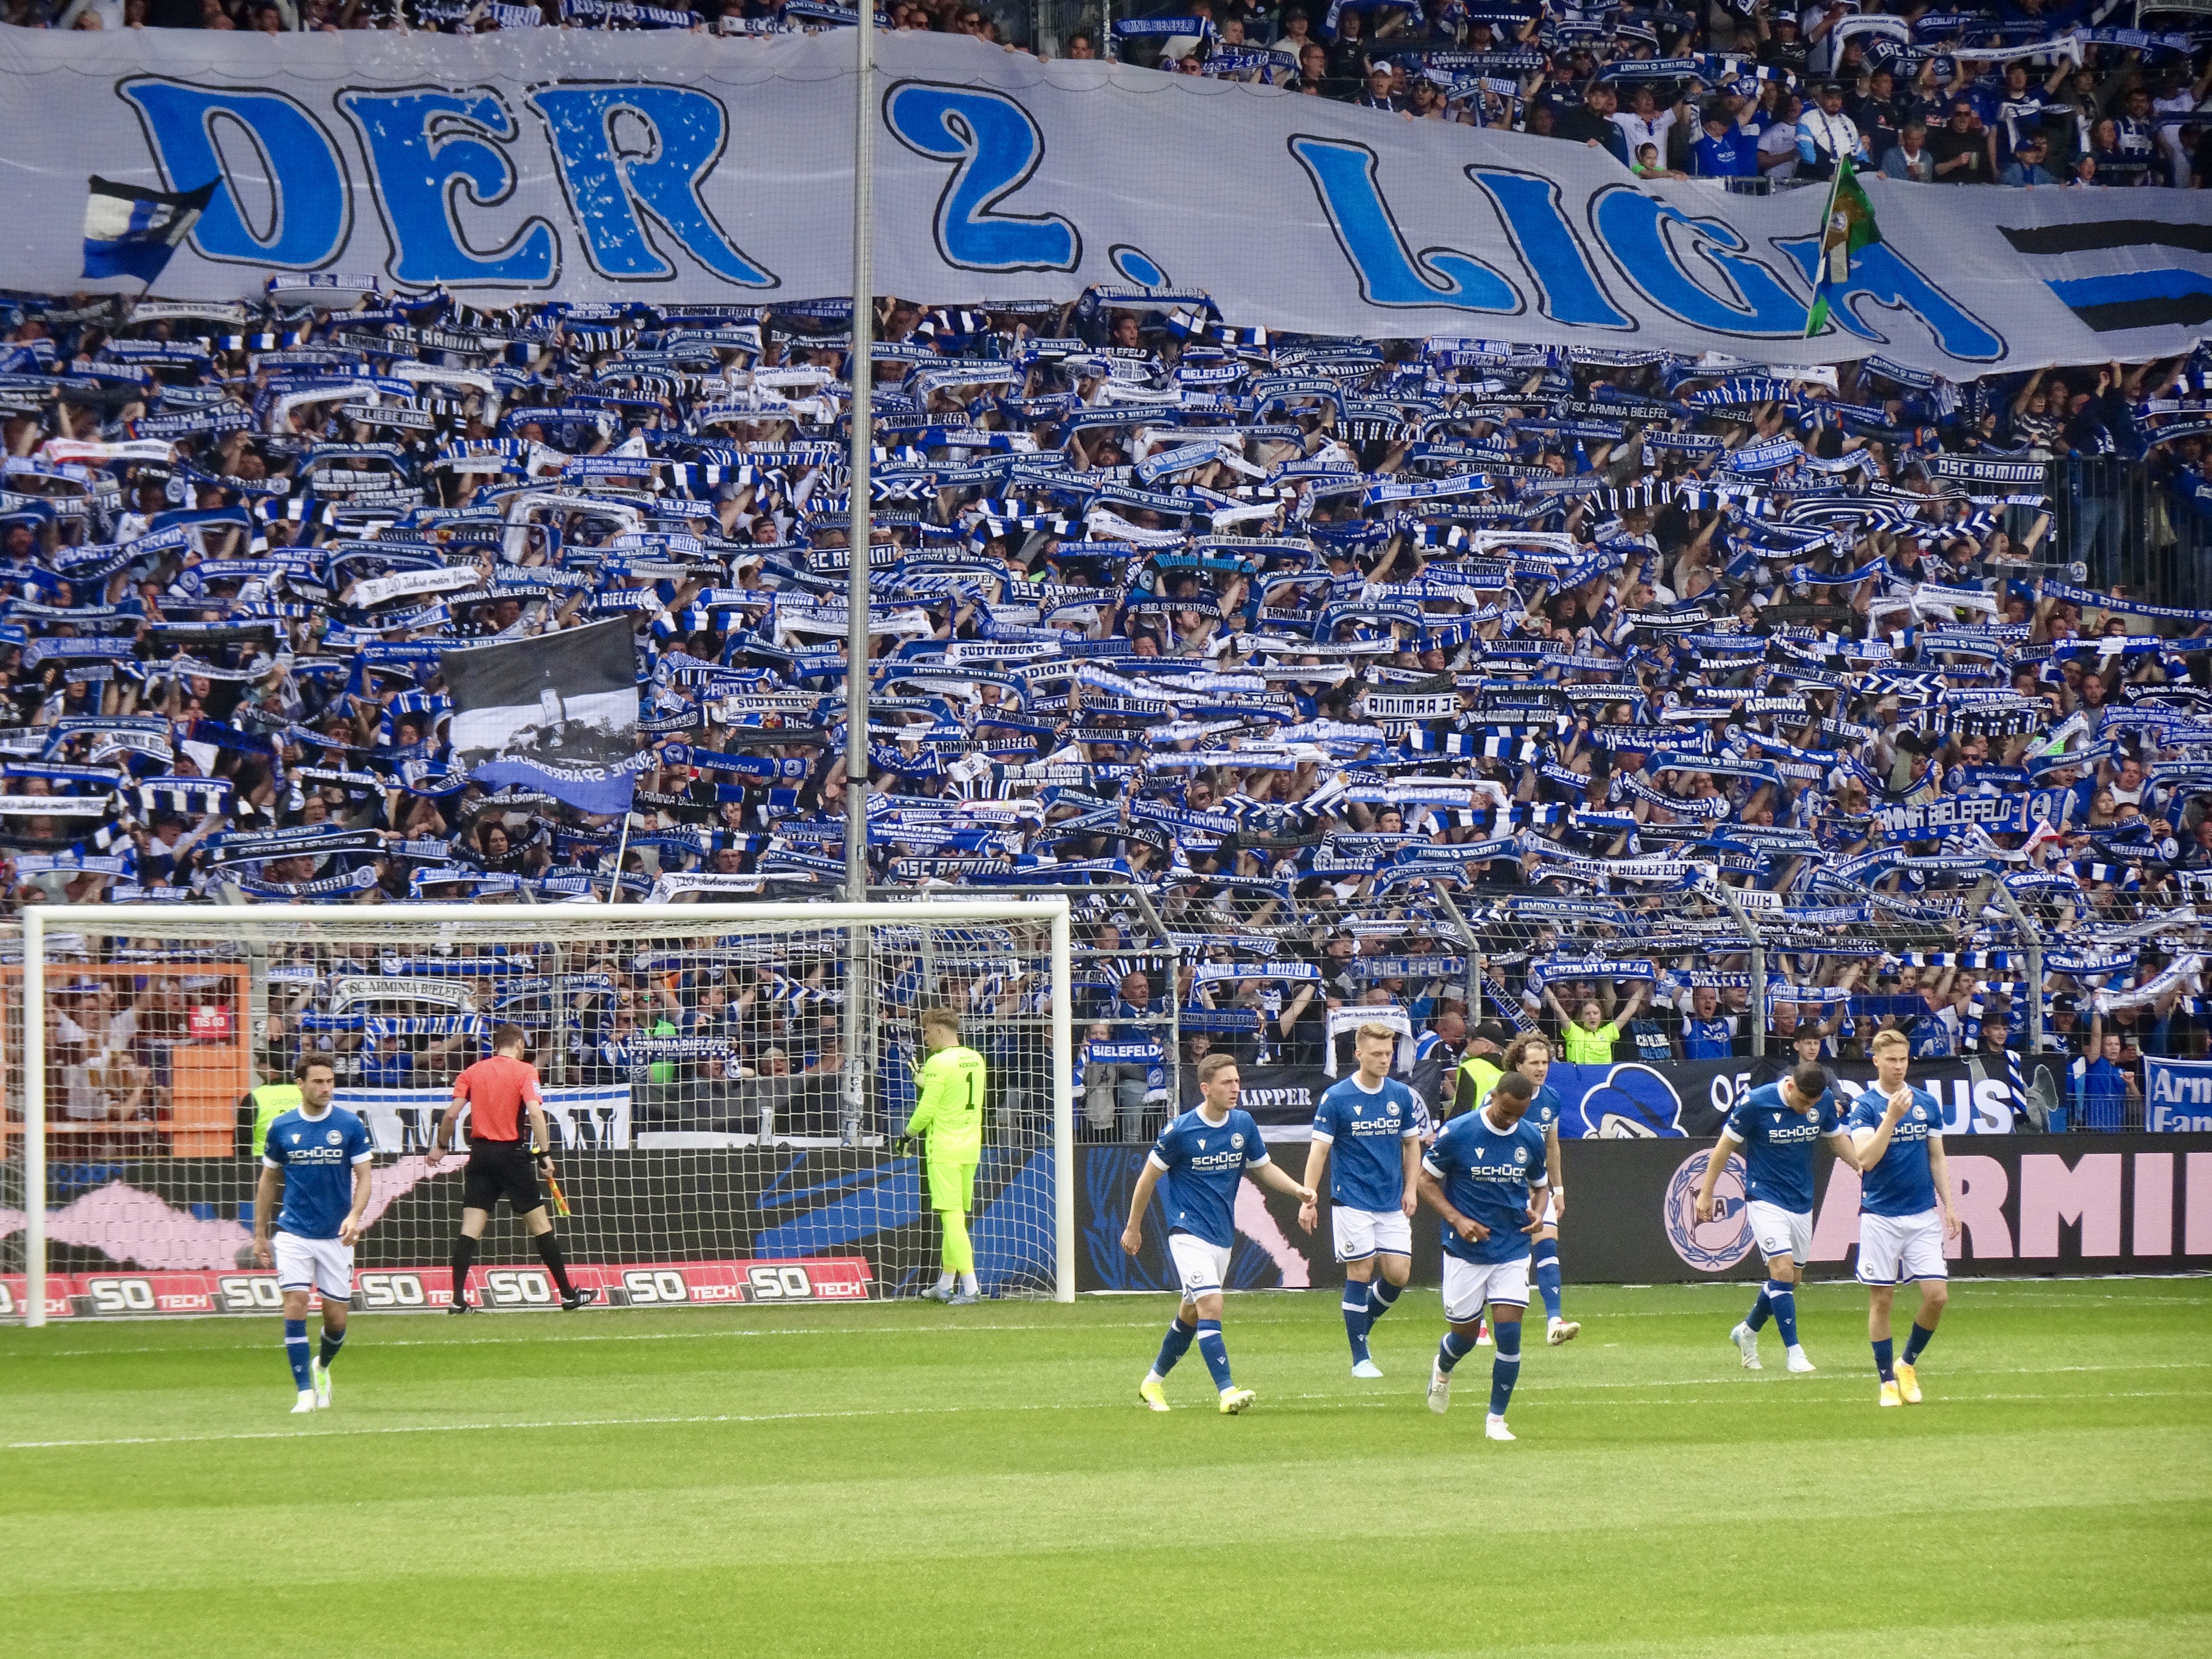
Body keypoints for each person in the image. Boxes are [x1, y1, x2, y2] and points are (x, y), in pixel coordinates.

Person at [1123, 1052, 1315, 1414]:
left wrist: (1298, 1191)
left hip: (1221, 1237)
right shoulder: (1180, 1131)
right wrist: (1133, 1228)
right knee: (1212, 1305)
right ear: (1206, 1089)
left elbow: (1264, 1168)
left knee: (1191, 1315)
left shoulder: (1242, 1124)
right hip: (1187, 1232)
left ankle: (1152, 1383)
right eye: (1228, 1082)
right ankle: (1227, 1393)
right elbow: (1147, 1180)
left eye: (1238, 1081)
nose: (1236, 1088)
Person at [1693, 1063, 1860, 1374]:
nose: (1807, 1108)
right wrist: (1706, 1193)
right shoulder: (1756, 1102)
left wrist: (1861, 1167)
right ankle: (1794, 1353)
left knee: (1792, 1280)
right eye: (1803, 1102)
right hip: (1764, 1196)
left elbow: (1837, 1139)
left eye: (1813, 1103)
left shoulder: (1823, 1101)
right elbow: (1724, 1147)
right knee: (1782, 1271)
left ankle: (1747, 1332)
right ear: (1791, 1086)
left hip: (1801, 1200)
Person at [428, 1024, 598, 1313]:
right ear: (519, 1044)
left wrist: (441, 1147)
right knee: (541, 1226)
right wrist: (545, 1154)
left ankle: (457, 1300)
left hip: (480, 1156)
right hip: (511, 1156)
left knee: (470, 1229)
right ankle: (569, 1295)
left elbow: (451, 1114)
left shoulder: (471, 1072)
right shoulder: (525, 1071)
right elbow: (534, 1112)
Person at [1417, 1070, 1549, 1441]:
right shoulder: (1459, 1132)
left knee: (1509, 1335)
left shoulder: (1529, 1138)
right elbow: (1425, 1181)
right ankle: (1443, 1367)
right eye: (1505, 1111)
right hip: (1465, 1249)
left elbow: (1540, 1187)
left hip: (1511, 1247)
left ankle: (1496, 1420)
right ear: (1493, 1096)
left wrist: (1539, 1212)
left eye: (1517, 1115)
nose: (1509, 1120)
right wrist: (1457, 1219)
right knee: (1464, 1336)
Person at [1300, 1023, 1422, 1378]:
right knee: (1361, 1271)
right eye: (1377, 1054)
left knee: (1398, 1275)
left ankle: (1360, 1327)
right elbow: (1319, 1151)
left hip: (1391, 1200)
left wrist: (1411, 1189)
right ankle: (1361, 1360)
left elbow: (1412, 1144)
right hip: (1351, 1199)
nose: (1385, 1060)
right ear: (1359, 1055)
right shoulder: (1337, 1098)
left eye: (1389, 1054)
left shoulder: (1400, 1094)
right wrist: (1309, 1198)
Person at [1847, 1030, 1961, 1407]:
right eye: (1891, 1059)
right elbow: (1864, 1160)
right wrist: (1891, 1119)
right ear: (1876, 1061)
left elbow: (1937, 1157)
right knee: (1882, 1300)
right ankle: (1886, 1383)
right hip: (1880, 1216)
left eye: (1904, 1059)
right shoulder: (1865, 1106)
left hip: (1922, 1215)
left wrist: (1949, 1205)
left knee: (1937, 1296)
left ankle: (1907, 1363)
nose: (1899, 1066)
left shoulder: (1926, 1102)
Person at [252, 1059, 370, 1415]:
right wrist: (260, 1233)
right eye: (318, 1082)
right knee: (296, 1303)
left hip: (336, 1235)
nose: (326, 1088)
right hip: (294, 1232)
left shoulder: (349, 1125)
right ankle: (304, 1393)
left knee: (336, 1321)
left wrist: (355, 1215)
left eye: (330, 1081)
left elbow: (364, 1177)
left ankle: (321, 1366)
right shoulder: (282, 1127)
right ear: (299, 1084)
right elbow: (268, 1180)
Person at [902, 1008, 988, 1305]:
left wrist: (907, 1135)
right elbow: (954, 1093)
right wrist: (924, 1081)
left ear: (939, 1030)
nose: (924, 1038)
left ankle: (972, 1289)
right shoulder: (975, 1059)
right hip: (970, 1147)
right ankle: (945, 1284)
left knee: (951, 1219)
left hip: (945, 1150)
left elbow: (927, 1109)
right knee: (957, 1218)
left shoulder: (938, 1062)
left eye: (926, 1031)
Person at [1503, 1034, 1578, 1347]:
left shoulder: (1552, 1099)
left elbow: (1552, 1146)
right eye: (1534, 1063)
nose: (1541, 1068)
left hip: (1539, 1187)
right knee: (1492, 1254)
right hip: (1503, 1185)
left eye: (1545, 1062)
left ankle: (1555, 1322)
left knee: (1547, 1245)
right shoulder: (1501, 1096)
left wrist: (1558, 1188)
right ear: (1518, 1065)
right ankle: (1476, 1322)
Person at [1448, 1020, 1510, 1119]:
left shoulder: (1471, 1067)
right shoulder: (1511, 1069)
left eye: (1474, 1039)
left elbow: (1462, 1109)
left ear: (1487, 1047)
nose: (1469, 1041)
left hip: (1476, 1129)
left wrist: (1443, 1131)